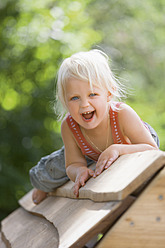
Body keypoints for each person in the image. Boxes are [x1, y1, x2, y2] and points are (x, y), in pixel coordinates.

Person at [30, 49, 159, 204]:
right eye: (75, 98)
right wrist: (79, 171)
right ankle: (43, 184)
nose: (84, 104)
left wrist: (117, 149)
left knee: (146, 162)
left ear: (109, 93)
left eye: (92, 95)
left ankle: (108, 155)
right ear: (64, 100)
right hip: (90, 153)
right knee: (55, 166)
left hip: (134, 143)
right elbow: (72, 164)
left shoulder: (122, 113)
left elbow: (152, 150)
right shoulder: (70, 126)